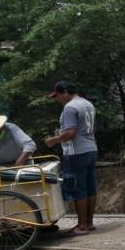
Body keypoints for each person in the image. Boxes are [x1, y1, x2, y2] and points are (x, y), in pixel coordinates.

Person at [45, 81, 97, 236]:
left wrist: (53, 140)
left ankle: (81, 226)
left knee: (78, 188)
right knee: (90, 187)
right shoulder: (88, 104)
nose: (58, 100)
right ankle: (89, 222)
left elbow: (70, 133)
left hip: (76, 152)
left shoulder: (70, 107)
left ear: (65, 92)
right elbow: (93, 128)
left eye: (58, 96)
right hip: (91, 149)